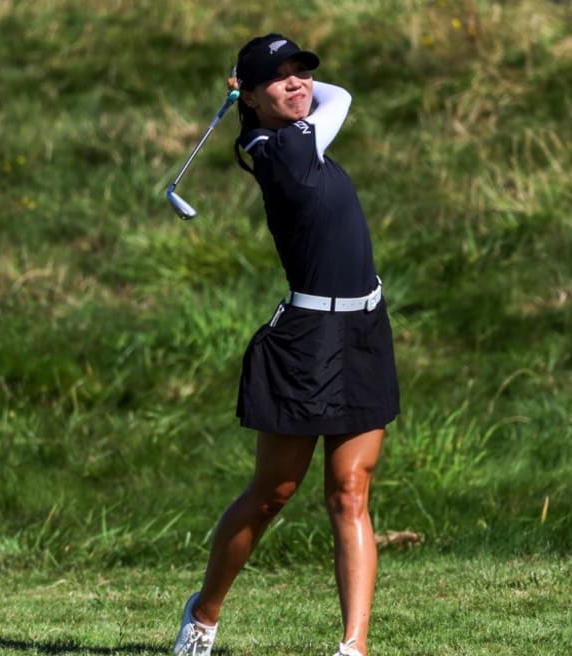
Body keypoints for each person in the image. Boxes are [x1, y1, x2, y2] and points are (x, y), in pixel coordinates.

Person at [171, 34, 401, 656]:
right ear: (250, 95)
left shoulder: (297, 131)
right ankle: (204, 613)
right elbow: (340, 97)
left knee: (350, 490)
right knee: (273, 493)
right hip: (307, 341)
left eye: (302, 72)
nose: (298, 84)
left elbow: (332, 93)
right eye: (280, 78)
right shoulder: (274, 149)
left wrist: (252, 87)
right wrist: (247, 98)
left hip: (363, 330)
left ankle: (353, 647)